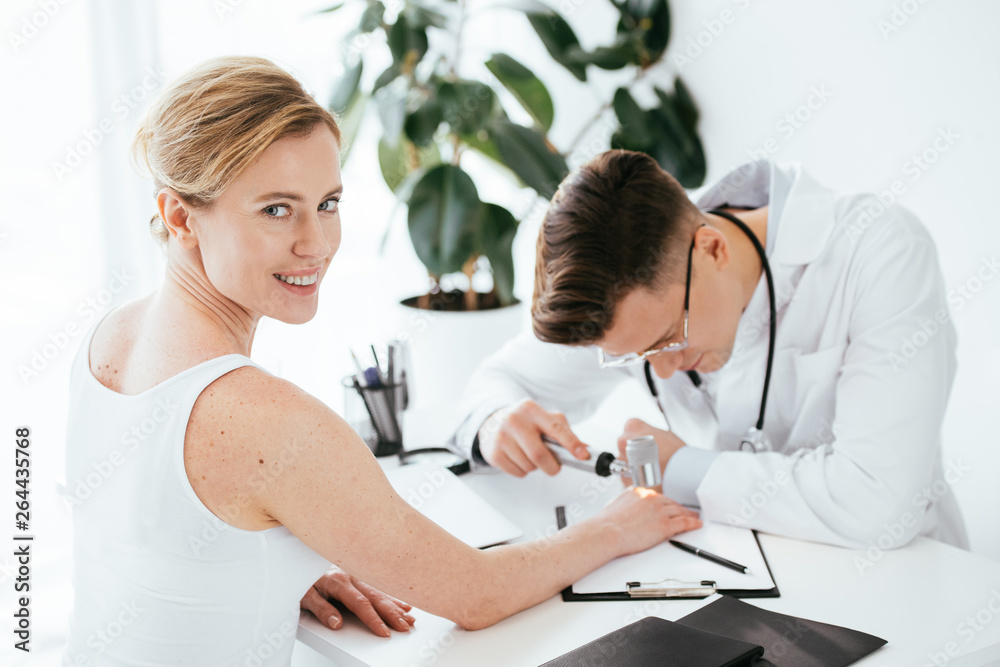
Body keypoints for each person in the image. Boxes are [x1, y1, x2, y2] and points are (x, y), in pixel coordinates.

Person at [61, 58, 702, 665]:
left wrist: (276, 568)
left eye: (328, 203)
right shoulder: (263, 418)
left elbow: (153, 543)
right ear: (180, 216)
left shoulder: (108, 339)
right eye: (276, 210)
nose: (316, 244)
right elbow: (477, 593)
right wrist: (615, 527)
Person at [451, 149, 968, 551]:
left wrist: (682, 469)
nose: (664, 369)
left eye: (670, 338)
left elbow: (876, 500)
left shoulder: (880, 250)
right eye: (636, 357)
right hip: (734, 566)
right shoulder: (626, 279)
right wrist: (495, 423)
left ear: (713, 248)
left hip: (898, 583)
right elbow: (494, 384)